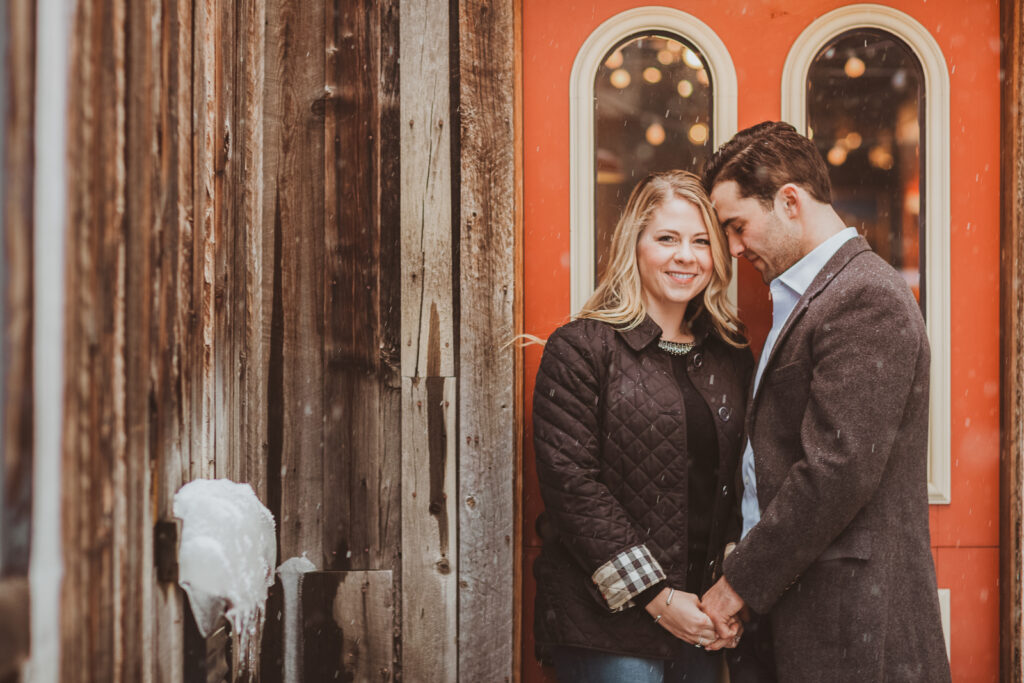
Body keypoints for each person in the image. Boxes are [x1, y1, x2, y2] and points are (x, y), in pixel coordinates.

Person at [698, 121, 951, 682]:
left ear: (789, 201)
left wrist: (739, 584)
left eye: (737, 227)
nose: (734, 249)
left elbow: (839, 469)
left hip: (844, 613)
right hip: (801, 602)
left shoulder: (865, 296)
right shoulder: (809, 293)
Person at [531, 170, 754, 683]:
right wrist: (656, 597)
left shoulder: (730, 354)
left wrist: (730, 594)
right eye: (668, 239)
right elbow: (573, 487)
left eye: (702, 241)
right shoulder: (583, 348)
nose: (686, 256)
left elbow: (747, 480)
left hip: (702, 619)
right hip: (607, 627)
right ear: (635, 244)